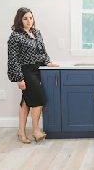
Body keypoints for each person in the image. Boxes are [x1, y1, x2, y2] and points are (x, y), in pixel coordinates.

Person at [7, 7, 58, 144]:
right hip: (26, 72)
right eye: (25, 18)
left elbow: (43, 51)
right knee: (39, 100)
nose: (29, 21)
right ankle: (35, 130)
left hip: (38, 70)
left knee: (26, 102)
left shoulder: (36, 33)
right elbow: (13, 59)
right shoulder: (15, 36)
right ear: (20, 20)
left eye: (30, 17)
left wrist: (48, 62)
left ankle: (21, 131)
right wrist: (19, 78)